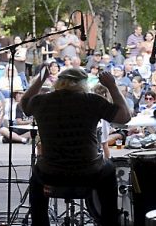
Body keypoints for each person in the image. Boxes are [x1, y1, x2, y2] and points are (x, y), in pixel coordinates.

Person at [22, 67, 130, 226]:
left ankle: (40, 223)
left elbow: (24, 105)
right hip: (89, 171)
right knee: (109, 169)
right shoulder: (92, 100)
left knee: (37, 175)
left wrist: (40, 79)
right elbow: (124, 117)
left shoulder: (41, 101)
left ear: (59, 83)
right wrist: (112, 86)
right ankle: (109, 222)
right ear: (83, 84)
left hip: (51, 172)